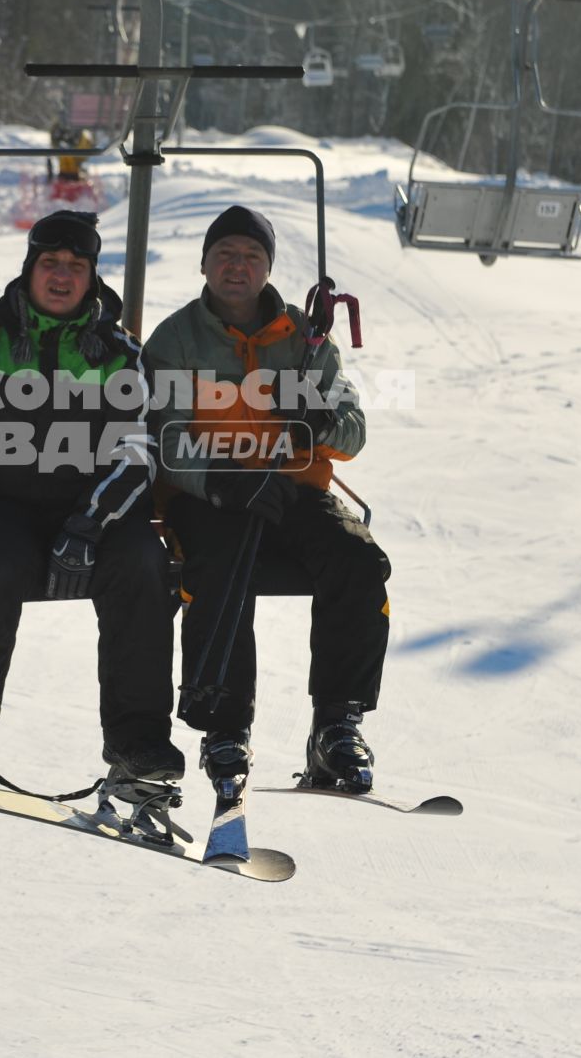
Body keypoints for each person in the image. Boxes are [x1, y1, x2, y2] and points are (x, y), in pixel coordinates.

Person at [0, 210, 181, 802]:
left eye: (76, 267)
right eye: (51, 263)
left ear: (93, 277)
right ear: (30, 268)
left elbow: (141, 448)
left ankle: (138, 746)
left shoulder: (119, 354)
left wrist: (90, 523)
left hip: (94, 510)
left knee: (146, 569)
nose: (62, 277)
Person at [141, 205, 391, 796]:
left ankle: (337, 720)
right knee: (222, 559)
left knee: (357, 559)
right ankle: (224, 725)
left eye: (251, 255)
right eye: (225, 254)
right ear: (204, 263)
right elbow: (165, 435)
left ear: (268, 267)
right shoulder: (176, 339)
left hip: (293, 488)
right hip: (210, 497)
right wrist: (222, 479)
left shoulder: (305, 340)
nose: (237, 266)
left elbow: (354, 430)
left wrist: (321, 422)